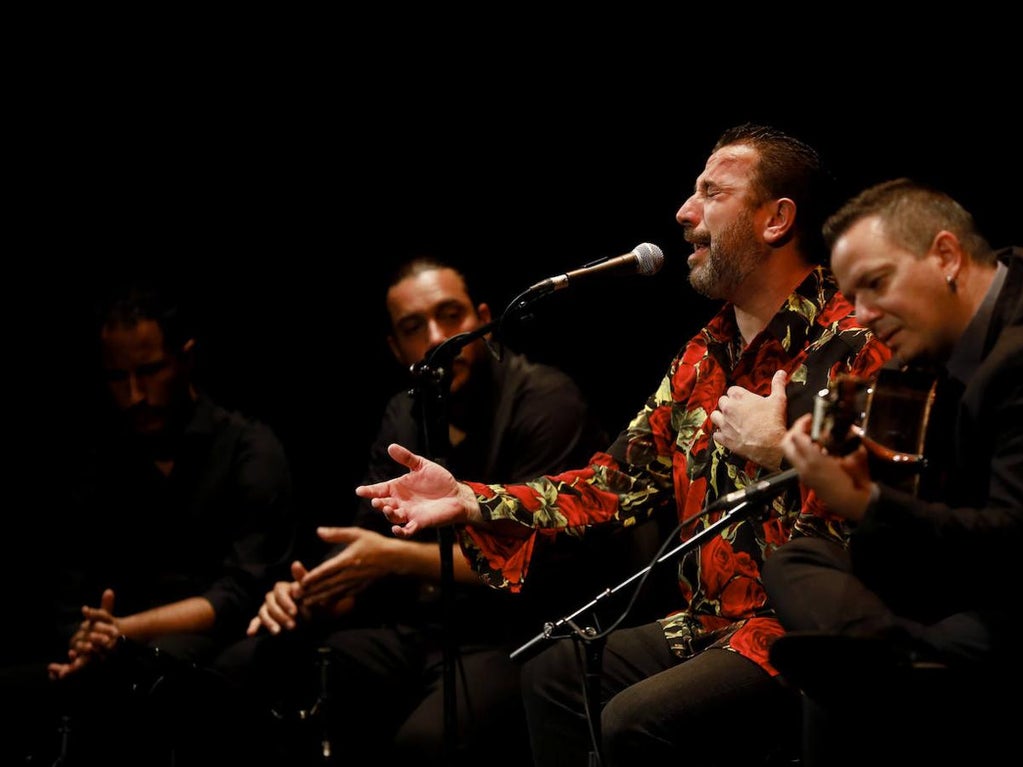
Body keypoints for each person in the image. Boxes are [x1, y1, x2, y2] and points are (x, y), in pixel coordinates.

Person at [355, 123, 893, 767]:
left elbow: (894, 502)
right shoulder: (702, 355)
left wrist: (784, 448)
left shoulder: (857, 340)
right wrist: (470, 500)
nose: (683, 212)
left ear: (776, 219)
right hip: (709, 624)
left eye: (710, 193)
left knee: (634, 721)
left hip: (802, 630)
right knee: (554, 673)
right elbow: (613, 483)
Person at [761, 178, 1023, 766]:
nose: (862, 316)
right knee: (795, 559)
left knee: (835, 686)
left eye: (876, 284)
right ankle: (885, 659)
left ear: (946, 256)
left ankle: (891, 666)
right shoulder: (990, 308)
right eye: (852, 295)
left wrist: (866, 503)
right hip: (976, 581)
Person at [211, 256, 616, 767]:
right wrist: (307, 594)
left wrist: (391, 559)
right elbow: (367, 549)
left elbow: (539, 560)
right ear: (396, 348)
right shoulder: (404, 413)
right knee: (243, 669)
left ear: (485, 319)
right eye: (413, 327)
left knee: (422, 745)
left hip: (521, 634)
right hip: (420, 632)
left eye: (450, 316)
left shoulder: (546, 403)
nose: (436, 337)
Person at [2, 279, 298, 766]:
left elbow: (241, 591)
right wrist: (84, 637)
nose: (134, 393)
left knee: (161, 673)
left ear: (186, 358)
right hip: (110, 647)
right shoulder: (98, 460)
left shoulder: (249, 449)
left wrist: (121, 631)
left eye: (150, 371)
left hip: (213, 648)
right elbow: (68, 582)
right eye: (118, 378)